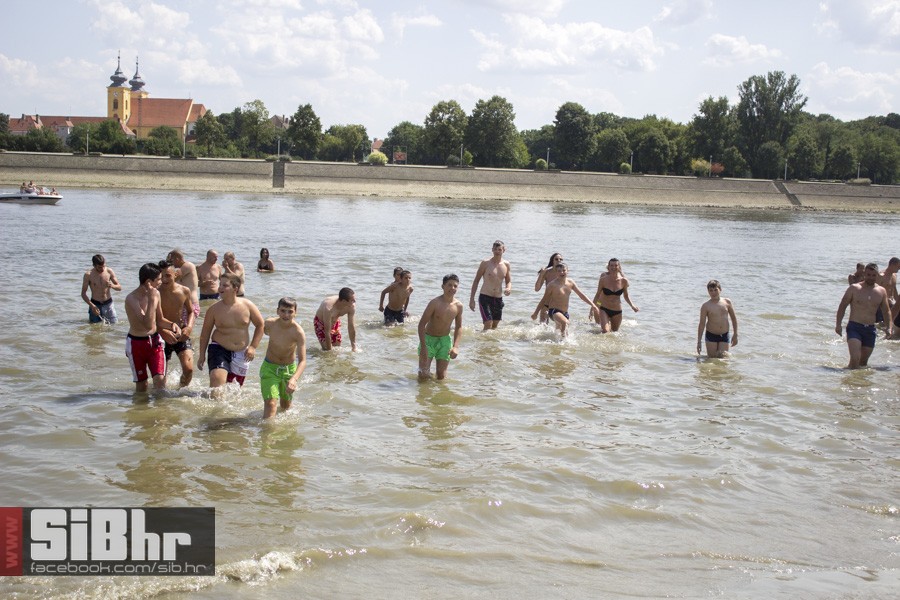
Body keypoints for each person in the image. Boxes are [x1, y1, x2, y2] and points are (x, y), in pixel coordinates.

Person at [197, 273, 264, 388]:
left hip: (241, 352)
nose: (220, 288)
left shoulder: (248, 305)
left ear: (235, 289)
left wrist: (253, 347)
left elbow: (260, 325)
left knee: (233, 390)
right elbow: (205, 334)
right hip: (219, 348)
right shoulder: (213, 309)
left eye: (225, 285)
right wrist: (202, 355)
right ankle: (214, 405)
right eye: (220, 284)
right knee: (217, 379)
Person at [124, 263, 181, 392]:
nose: (162, 281)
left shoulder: (156, 294)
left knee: (160, 381)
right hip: (136, 344)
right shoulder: (132, 299)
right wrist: (150, 299)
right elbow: (147, 323)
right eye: (159, 279)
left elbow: (160, 320)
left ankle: (160, 410)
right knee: (142, 386)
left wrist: (172, 325)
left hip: (155, 341)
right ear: (149, 282)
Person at [836, 263, 893, 369]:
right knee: (855, 358)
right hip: (854, 327)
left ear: (877, 275)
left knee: (862, 363)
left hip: (870, 330)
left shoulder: (881, 291)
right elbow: (842, 306)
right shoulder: (854, 288)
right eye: (868, 275)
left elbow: (886, 311)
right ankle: (848, 382)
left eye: (873, 275)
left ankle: (857, 381)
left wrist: (889, 327)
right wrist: (838, 325)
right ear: (864, 274)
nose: (871, 277)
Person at [260, 297, 307, 419]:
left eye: (290, 311)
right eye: (283, 311)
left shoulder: (298, 332)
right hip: (269, 368)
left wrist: (294, 379)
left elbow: (302, 361)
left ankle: (283, 434)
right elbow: (257, 331)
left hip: (288, 370)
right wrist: (251, 348)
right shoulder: (269, 324)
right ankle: (267, 435)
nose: (286, 315)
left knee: (286, 407)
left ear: (295, 313)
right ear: (277, 311)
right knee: (270, 404)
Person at [158, 260, 196, 388]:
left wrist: (189, 328)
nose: (164, 279)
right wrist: (162, 331)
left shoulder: (184, 291)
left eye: (167, 275)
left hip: (180, 332)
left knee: (189, 369)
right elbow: (151, 317)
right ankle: (162, 403)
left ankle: (180, 393)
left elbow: (191, 312)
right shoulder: (155, 292)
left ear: (176, 274)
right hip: (161, 334)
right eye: (161, 276)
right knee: (160, 378)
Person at [418, 274, 464, 380]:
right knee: (423, 375)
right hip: (428, 340)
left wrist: (456, 346)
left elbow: (459, 327)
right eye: (449, 285)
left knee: (441, 376)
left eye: (455, 286)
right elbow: (421, 324)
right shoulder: (435, 303)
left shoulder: (458, 306)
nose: (452, 288)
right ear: (443, 286)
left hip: (444, 341)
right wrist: (423, 347)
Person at [544, 263, 599, 337]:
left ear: (567, 271)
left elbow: (581, 295)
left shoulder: (570, 282)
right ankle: (563, 343)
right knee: (565, 323)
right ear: (556, 273)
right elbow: (544, 299)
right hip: (554, 311)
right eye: (559, 271)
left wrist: (593, 305)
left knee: (559, 331)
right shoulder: (552, 285)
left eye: (564, 270)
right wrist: (536, 312)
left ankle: (554, 342)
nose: (562, 272)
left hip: (565, 312)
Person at [469, 240, 512, 331]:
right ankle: (482, 344)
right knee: (488, 323)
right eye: (495, 249)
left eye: (499, 249)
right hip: (485, 297)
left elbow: (508, 281)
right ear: (492, 250)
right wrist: (471, 299)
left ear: (504, 250)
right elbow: (476, 281)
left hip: (498, 298)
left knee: (495, 326)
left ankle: (490, 345)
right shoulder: (485, 263)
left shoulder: (506, 264)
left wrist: (508, 288)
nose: (497, 251)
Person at [592, 258, 639, 333]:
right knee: (601, 327)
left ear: (619, 266)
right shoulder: (603, 276)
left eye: (616, 265)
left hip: (616, 310)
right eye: (611, 266)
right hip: (601, 303)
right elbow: (597, 294)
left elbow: (627, 290)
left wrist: (632, 306)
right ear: (608, 267)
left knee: (614, 332)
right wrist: (592, 308)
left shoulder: (623, 280)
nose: (613, 267)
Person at [697, 280, 739, 358]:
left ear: (720, 289)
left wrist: (735, 334)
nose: (713, 292)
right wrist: (699, 341)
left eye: (715, 290)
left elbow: (734, 319)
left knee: (724, 359)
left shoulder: (727, 302)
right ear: (708, 292)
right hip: (711, 335)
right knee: (712, 360)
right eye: (711, 290)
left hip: (724, 334)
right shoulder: (706, 306)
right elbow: (702, 324)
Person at [81, 254, 122, 324]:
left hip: (108, 304)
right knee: (94, 329)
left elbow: (119, 287)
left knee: (114, 325)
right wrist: (92, 306)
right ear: (94, 265)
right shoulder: (88, 275)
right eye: (100, 267)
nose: (102, 269)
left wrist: (112, 285)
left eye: (104, 266)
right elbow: (83, 294)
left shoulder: (109, 271)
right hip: (95, 305)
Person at [531, 252, 564, 322]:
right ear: (552, 261)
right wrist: (541, 275)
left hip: (559, 304)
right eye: (556, 259)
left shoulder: (563, 273)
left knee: (561, 327)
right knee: (543, 327)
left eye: (561, 259)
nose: (559, 261)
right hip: (546, 303)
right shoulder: (547, 272)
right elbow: (537, 289)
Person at [167, 249, 200, 317]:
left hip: (190, 304)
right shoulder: (181, 269)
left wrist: (166, 265)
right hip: (185, 304)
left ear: (177, 259)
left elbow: (170, 280)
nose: (171, 263)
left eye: (171, 261)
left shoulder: (187, 265)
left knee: (184, 326)